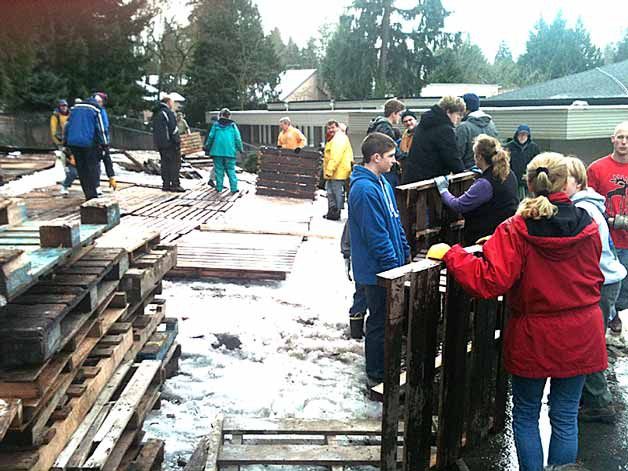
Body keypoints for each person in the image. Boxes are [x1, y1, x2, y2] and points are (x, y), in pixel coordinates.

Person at [429, 153, 606, 471]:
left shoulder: (516, 228)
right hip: (582, 331)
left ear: (528, 182)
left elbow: (489, 281)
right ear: (565, 181)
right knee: (565, 414)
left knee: (525, 414)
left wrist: (453, 255)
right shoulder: (588, 224)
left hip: (534, 333)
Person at [565, 156, 626, 423]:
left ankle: (599, 402)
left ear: (577, 181)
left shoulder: (583, 210)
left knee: (588, 344)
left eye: (562, 178)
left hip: (601, 282)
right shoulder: (587, 204)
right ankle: (587, 397)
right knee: (589, 341)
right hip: (605, 280)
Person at [348, 132, 410, 386]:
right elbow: (376, 235)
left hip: (388, 266)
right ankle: (376, 371)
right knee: (379, 321)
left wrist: (404, 250)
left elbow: (394, 221)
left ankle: (386, 363)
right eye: (390, 156)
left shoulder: (382, 183)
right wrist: (392, 268)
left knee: (388, 319)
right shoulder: (364, 190)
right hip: (377, 271)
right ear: (375, 157)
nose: (394, 161)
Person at [434, 134, 518, 246]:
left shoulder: (485, 184)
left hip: (484, 237)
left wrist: (443, 190)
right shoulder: (508, 173)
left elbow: (458, 205)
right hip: (504, 232)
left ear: (479, 157)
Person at [587, 121, 628, 336]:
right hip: (605, 240)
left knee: (625, 284)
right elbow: (586, 202)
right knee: (606, 282)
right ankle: (609, 317)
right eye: (620, 137)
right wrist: (609, 220)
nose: (623, 142)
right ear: (612, 139)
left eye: (627, 138)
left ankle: (617, 313)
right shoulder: (596, 168)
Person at [403, 96, 466, 184]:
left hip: (413, 178)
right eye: (458, 114)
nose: (459, 118)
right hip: (430, 182)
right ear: (448, 112)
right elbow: (452, 158)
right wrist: (463, 175)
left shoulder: (425, 123)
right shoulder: (445, 129)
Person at [64, 96, 109, 200]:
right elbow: (101, 128)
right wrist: (105, 144)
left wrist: (65, 143)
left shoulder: (74, 109)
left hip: (74, 143)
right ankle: (92, 195)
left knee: (81, 170)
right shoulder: (95, 109)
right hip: (88, 144)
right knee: (92, 168)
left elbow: (67, 125)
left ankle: (87, 194)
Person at [367, 98, 405, 187]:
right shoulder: (385, 128)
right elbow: (389, 149)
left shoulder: (376, 125)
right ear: (394, 113)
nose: (400, 117)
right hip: (386, 169)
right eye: (399, 114)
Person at [456, 93, 499, 169]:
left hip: (468, 174)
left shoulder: (463, 127)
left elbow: (457, 155)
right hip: (489, 172)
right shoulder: (491, 125)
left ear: (465, 109)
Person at [204, 108, 242, 193]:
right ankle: (234, 188)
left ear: (220, 115)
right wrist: (240, 149)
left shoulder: (216, 125)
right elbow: (238, 139)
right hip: (230, 152)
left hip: (217, 152)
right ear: (229, 116)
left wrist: (207, 146)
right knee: (231, 170)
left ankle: (219, 188)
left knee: (219, 170)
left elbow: (211, 137)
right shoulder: (233, 126)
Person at [341, 220, 367, 340]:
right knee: (362, 294)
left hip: (361, 258)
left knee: (361, 295)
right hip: (363, 259)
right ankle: (356, 333)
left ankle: (356, 333)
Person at [323, 120, 353, 220]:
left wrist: (329, 170)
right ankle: (332, 212)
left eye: (333, 127)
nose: (330, 130)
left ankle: (335, 213)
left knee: (335, 193)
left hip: (338, 172)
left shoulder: (338, 139)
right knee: (331, 191)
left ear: (338, 128)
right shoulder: (335, 138)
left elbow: (336, 156)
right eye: (328, 128)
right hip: (336, 171)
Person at [153, 95, 183, 192]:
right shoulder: (168, 113)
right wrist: (177, 142)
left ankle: (166, 184)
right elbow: (173, 129)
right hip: (170, 144)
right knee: (175, 164)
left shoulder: (157, 113)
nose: (173, 105)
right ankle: (175, 184)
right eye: (172, 102)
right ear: (168, 102)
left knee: (165, 164)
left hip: (161, 144)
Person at [507, 124, 541, 201]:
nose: (522, 137)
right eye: (521, 134)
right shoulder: (509, 147)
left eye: (525, 135)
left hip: (529, 182)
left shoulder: (534, 147)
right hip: (513, 182)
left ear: (528, 136)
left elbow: (538, 164)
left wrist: (531, 175)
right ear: (517, 135)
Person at [92, 92, 116, 193]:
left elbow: (105, 127)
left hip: (101, 140)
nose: (100, 103)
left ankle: (109, 179)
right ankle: (95, 186)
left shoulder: (102, 111)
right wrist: (105, 142)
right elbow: (102, 128)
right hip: (97, 141)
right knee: (96, 164)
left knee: (102, 162)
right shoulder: (96, 111)